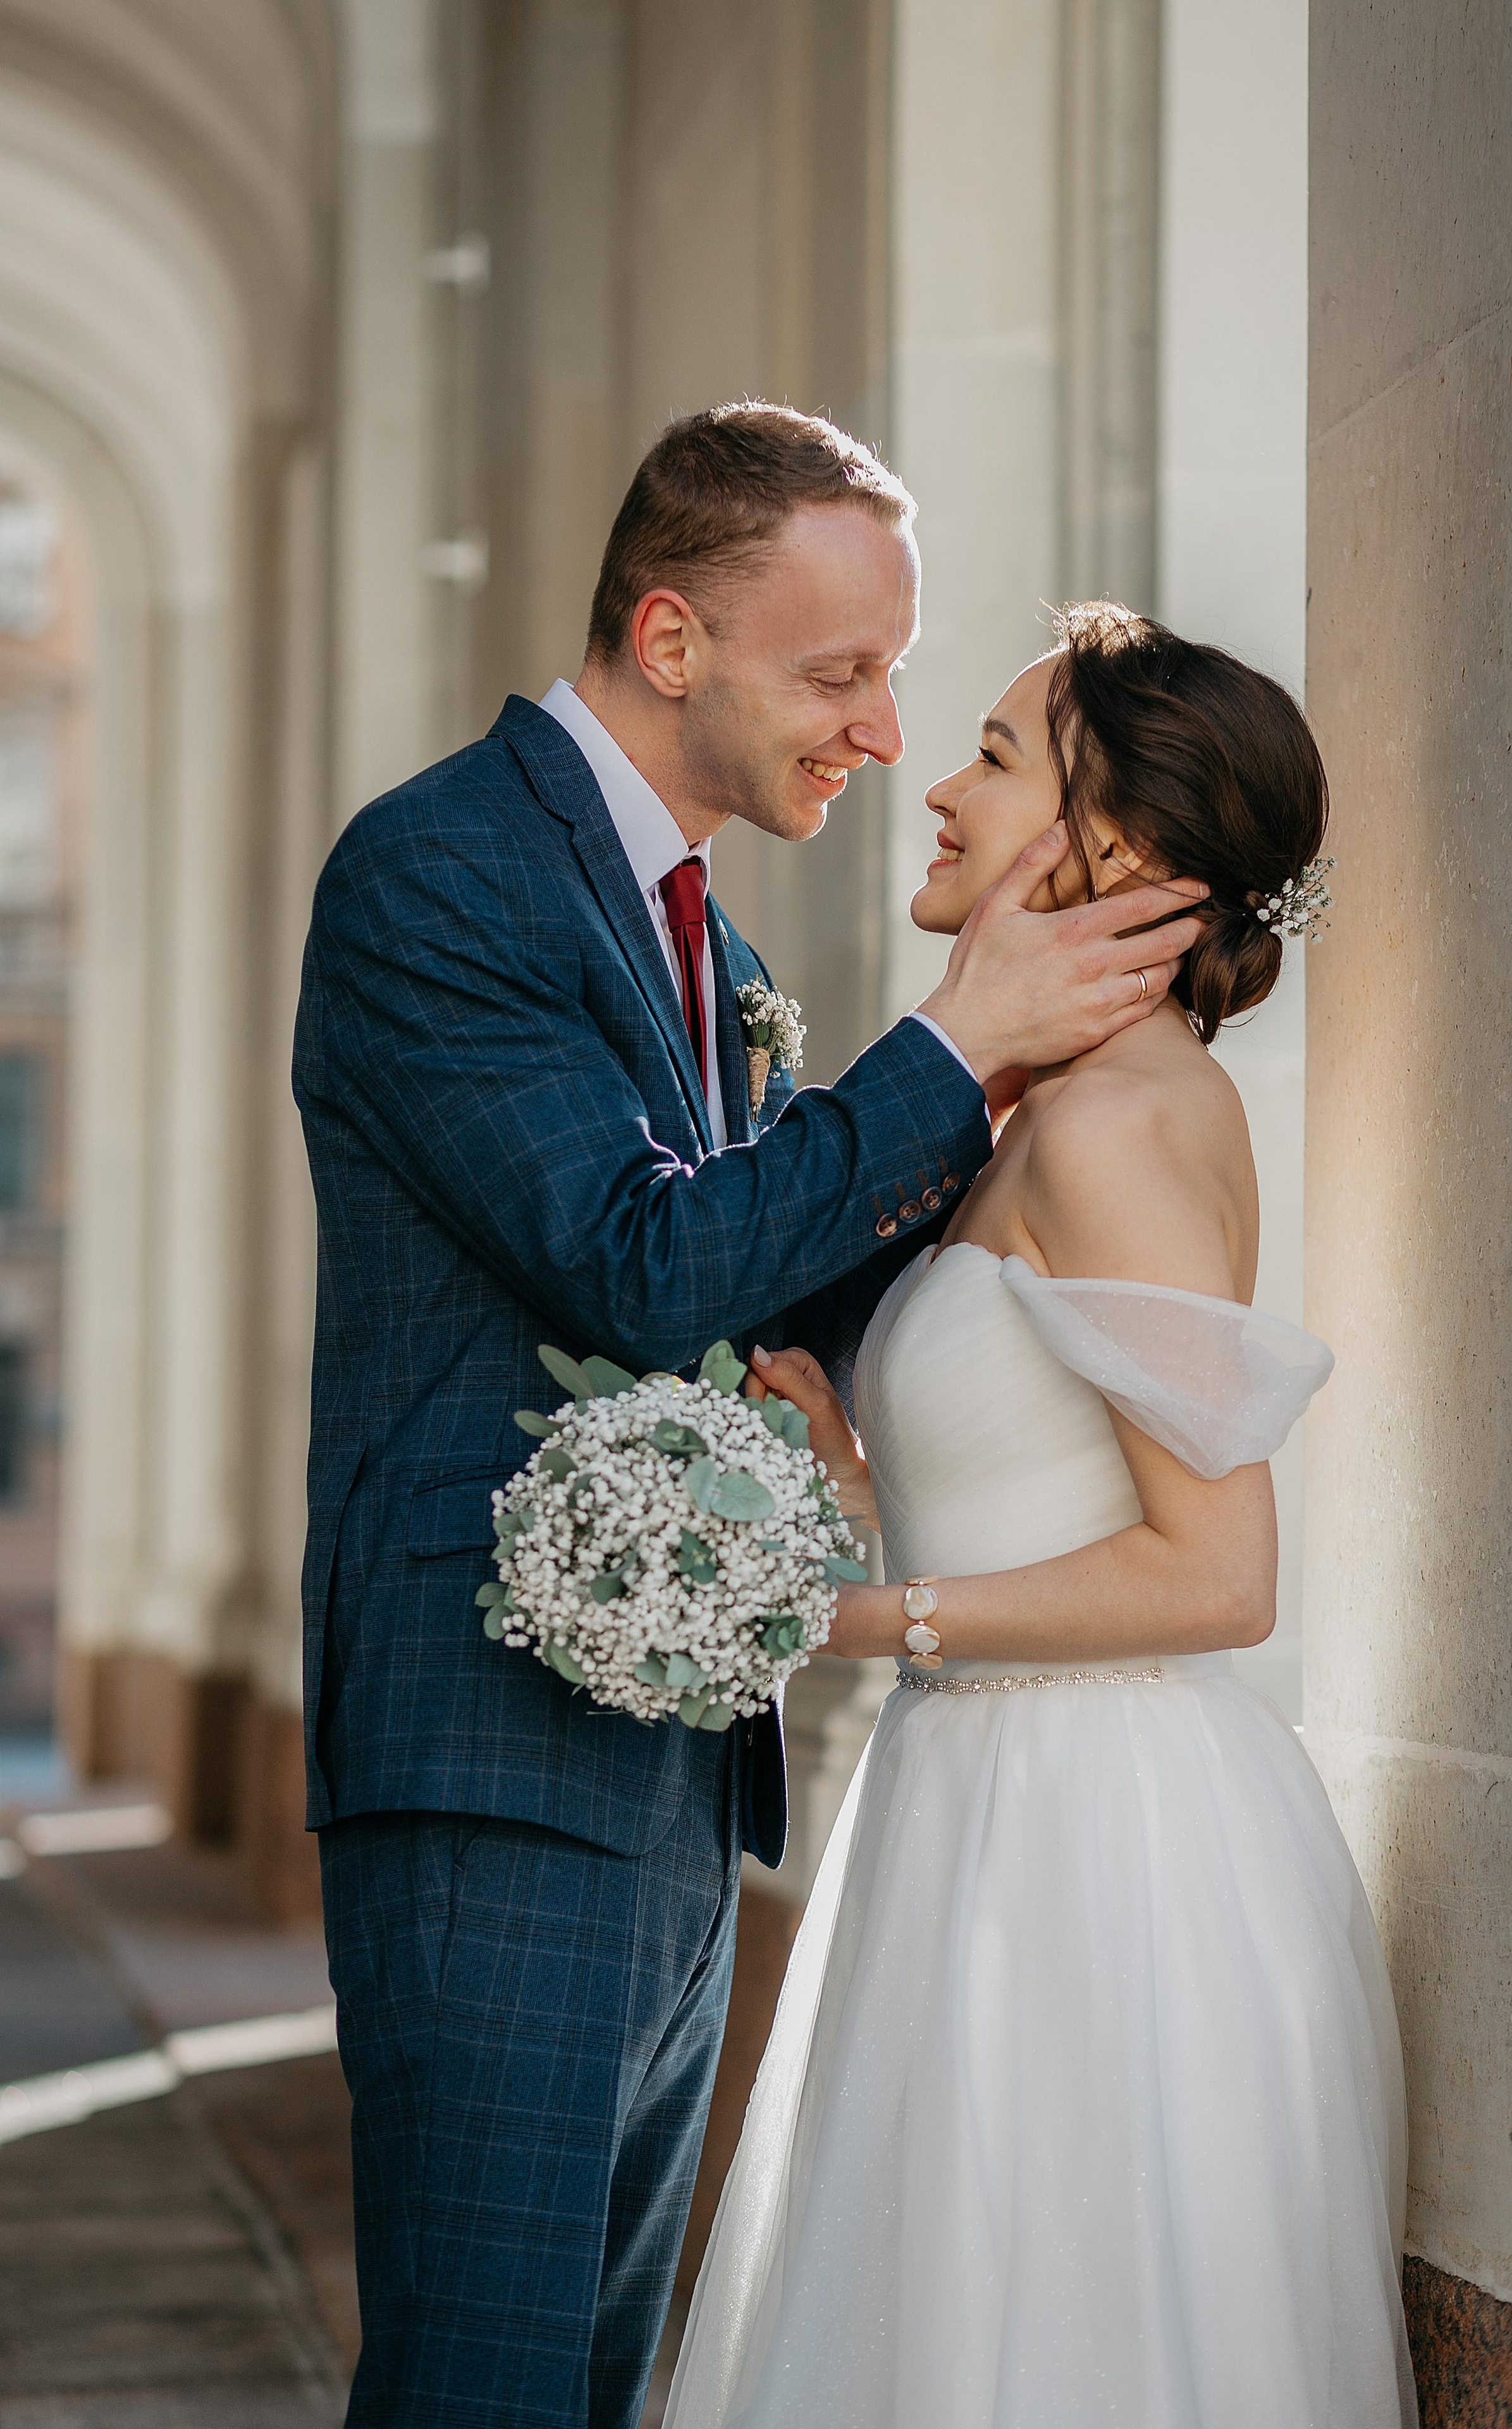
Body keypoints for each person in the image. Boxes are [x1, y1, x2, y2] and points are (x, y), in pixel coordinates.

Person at [293, 409, 1207, 2429]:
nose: (883, 734)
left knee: (594, 2395)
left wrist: (1022, 1121)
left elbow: (753, 1277)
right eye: (843, 675)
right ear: (673, 636)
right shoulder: (442, 876)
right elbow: (633, 1262)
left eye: (901, 677)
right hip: (495, 1771)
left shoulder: (698, 923)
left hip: (676, 1778)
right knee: (489, 2393)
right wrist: (956, 1049)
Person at [666, 602, 1418, 2428]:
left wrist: (842, 1621)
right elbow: (1049, 1481)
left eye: (996, 761)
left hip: (1096, 1840)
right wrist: (849, 1459)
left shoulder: (1113, 1127)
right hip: (990, 1797)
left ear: (1125, 849)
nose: (936, 785)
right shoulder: (1051, 1111)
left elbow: (1218, 1570)